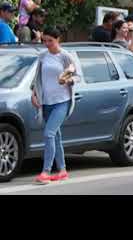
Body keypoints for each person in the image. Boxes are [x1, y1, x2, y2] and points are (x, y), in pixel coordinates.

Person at [31, 27, 80, 184]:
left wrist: (68, 80)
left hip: (62, 101)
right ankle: (63, 170)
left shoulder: (66, 56)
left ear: (58, 39)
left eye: (50, 41)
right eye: (44, 40)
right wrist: (34, 94)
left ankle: (46, 172)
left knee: (49, 134)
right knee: (56, 137)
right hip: (46, 102)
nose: (47, 43)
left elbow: (78, 76)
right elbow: (37, 78)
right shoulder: (43, 56)